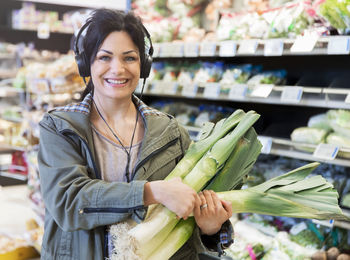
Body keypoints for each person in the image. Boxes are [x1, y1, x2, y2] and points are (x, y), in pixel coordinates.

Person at [38, 8, 233, 260]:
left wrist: (212, 228)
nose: (117, 69)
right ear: (86, 63)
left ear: (144, 65)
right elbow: (69, 201)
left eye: (129, 58)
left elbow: (192, 223)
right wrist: (153, 192)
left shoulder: (171, 132)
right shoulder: (60, 127)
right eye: (104, 57)